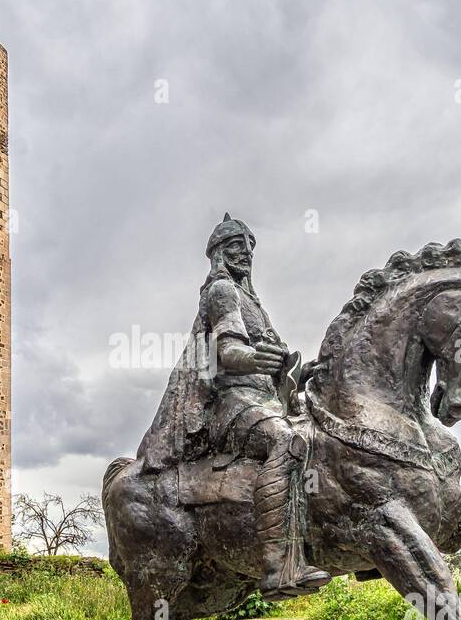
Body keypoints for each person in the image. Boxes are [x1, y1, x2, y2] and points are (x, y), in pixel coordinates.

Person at [137, 213, 330, 597]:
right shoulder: (221, 292)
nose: (245, 254)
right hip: (233, 403)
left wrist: (299, 372)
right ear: (219, 253)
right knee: (285, 443)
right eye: (236, 247)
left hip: (266, 397)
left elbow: (270, 361)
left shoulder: (254, 302)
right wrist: (256, 360)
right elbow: (227, 350)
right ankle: (280, 567)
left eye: (249, 247)